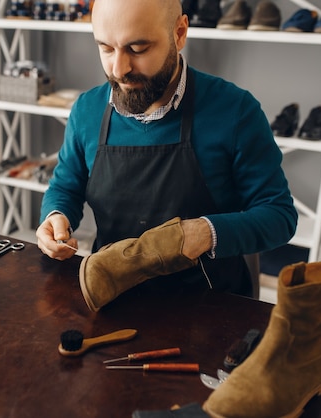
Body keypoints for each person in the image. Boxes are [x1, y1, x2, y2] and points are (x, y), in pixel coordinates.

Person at [36, 0, 298, 306]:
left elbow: (279, 215)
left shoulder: (235, 111)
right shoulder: (86, 110)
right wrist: (55, 216)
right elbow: (66, 186)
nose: (119, 69)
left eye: (137, 48)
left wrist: (206, 232)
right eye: (106, 48)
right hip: (115, 295)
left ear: (180, 33)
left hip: (209, 306)